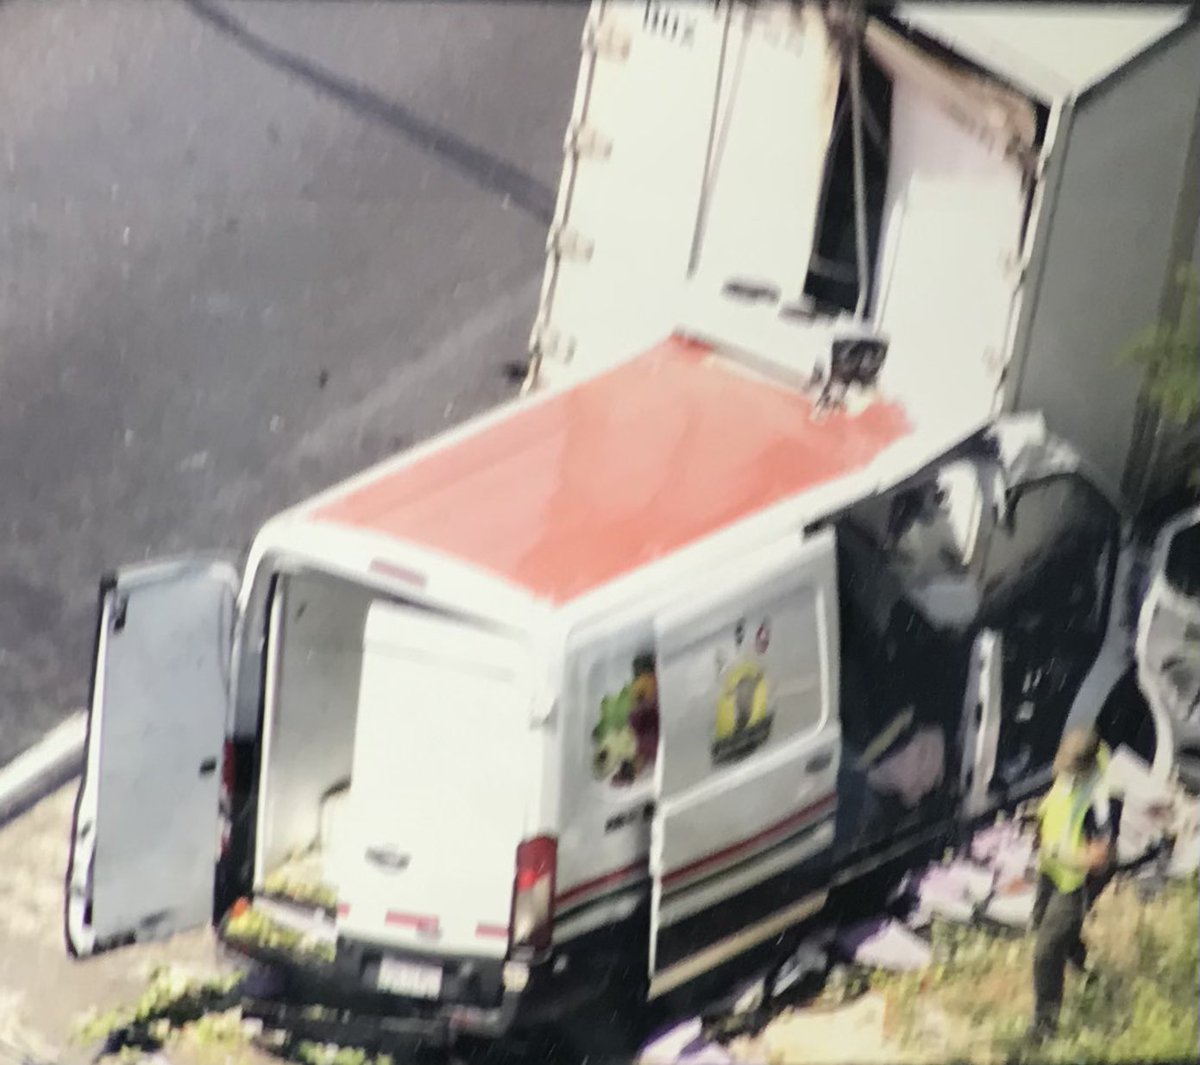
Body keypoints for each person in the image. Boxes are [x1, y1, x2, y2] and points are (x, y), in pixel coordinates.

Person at [1027, 727, 1114, 1039]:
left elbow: (1100, 858)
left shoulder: (1102, 800)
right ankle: (1093, 977)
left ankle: (1044, 1030)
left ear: (1086, 767)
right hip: (1051, 872)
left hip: (1075, 884)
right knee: (1046, 928)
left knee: (1046, 952)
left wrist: (1058, 852)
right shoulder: (1073, 764)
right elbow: (1059, 799)